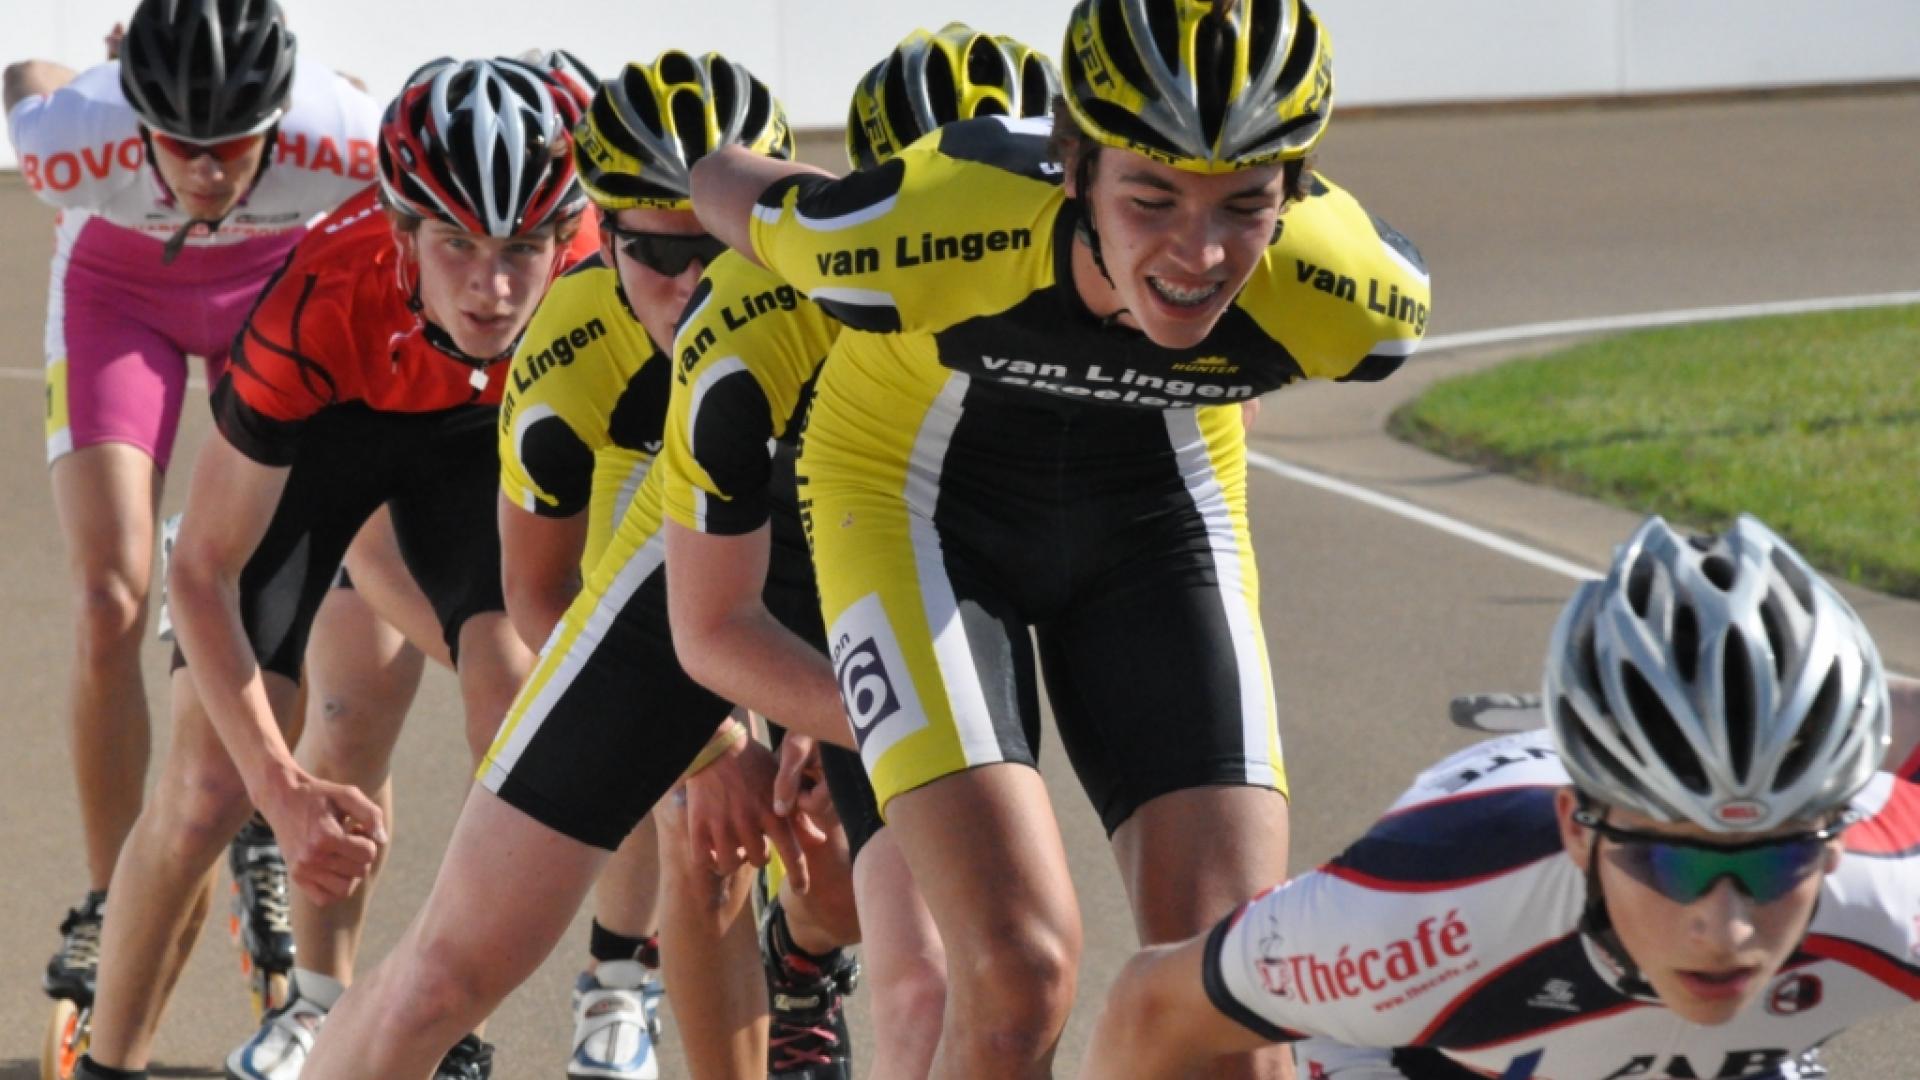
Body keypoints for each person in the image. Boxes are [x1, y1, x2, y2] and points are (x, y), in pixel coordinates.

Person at [688, 0, 1424, 1074]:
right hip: (915, 501)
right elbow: (718, 178)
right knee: (1016, 976)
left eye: (1246, 204)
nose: (1199, 252)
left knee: (1233, 991)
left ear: (1297, 192)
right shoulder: (925, 225)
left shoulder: (1360, 302)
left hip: (1154, 514)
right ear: (1072, 168)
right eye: (1151, 198)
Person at [288, 50, 852, 1080]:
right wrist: (713, 749)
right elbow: (539, 594)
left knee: (845, 879)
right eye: (654, 253)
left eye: (716, 247)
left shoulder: (840, 303)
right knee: (698, 836)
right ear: (606, 236)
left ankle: (806, 961)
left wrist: (818, 706)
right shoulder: (570, 350)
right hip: (658, 555)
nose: (690, 284)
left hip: (831, 544)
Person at [72, 55, 595, 1080]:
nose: (494, 288)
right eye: (457, 245)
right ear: (403, 232)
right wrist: (280, 790)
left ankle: (440, 1021)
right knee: (206, 789)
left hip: (474, 447)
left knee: (514, 699)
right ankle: (109, 1064)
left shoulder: (597, 269)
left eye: (522, 249)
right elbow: (204, 573)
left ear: (562, 235)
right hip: (330, 439)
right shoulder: (317, 298)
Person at [1077, 513, 1920, 1079]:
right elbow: (1153, 1004)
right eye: (1673, 863)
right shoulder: (1417, 916)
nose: (1727, 929)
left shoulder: (1897, 886)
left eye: (1776, 863)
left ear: (1835, 840)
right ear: (1578, 831)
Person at [669, 23, 1062, 1079]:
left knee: (988, 967)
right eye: (937, 235)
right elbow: (711, 612)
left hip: (976, 573)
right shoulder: (761, 317)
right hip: (811, 574)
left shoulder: (1107, 286)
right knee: (923, 974)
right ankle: (741, 968)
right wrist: (811, 712)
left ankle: (801, 953)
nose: (972, 269)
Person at [3, 0, 381, 1013]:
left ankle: (263, 812)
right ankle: (107, 894)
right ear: (135, 115)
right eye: (180, 145)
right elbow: (25, 78)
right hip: (117, 297)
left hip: (272, 293)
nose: (209, 174)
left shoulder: (339, 133)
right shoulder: (71, 136)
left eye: (234, 146)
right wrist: (84, 78)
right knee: (108, 599)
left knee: (286, 581)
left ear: (280, 116)